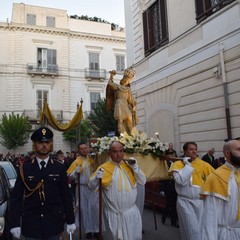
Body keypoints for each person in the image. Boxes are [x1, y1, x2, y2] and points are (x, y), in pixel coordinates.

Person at [10, 127, 76, 240]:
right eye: (40, 142)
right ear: (34, 144)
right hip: (31, 225)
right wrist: (15, 223)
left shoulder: (59, 168)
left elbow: (66, 196)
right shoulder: (25, 168)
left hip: (54, 224)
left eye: (47, 142)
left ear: (50, 144)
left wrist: (70, 220)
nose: (44, 145)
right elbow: (16, 198)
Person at [89, 141, 146, 240]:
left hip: (131, 213)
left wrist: (135, 167)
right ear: (109, 153)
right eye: (115, 152)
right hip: (114, 215)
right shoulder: (103, 169)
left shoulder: (129, 165)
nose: (118, 154)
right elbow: (91, 187)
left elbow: (142, 181)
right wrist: (96, 178)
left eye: (121, 151)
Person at [168, 141, 214, 240]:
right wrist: (187, 165)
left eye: (195, 149)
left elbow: (214, 180)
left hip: (201, 202)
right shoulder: (178, 164)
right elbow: (180, 180)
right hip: (185, 202)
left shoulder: (204, 164)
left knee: (201, 230)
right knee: (191, 230)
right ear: (185, 151)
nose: (194, 151)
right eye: (191, 149)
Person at [200, 138, 240, 240]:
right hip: (226, 234)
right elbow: (209, 220)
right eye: (239, 149)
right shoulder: (216, 178)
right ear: (227, 153)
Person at [67, 143, 99, 239]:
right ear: (78, 151)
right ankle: (88, 231)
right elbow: (69, 176)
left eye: (85, 148)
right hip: (82, 188)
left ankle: (97, 230)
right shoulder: (76, 162)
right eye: (82, 149)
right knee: (84, 209)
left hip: (93, 188)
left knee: (95, 209)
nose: (84, 150)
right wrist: (75, 173)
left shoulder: (92, 159)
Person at [106, 67, 138, 134]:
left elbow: (130, 100)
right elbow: (110, 84)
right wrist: (111, 76)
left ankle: (132, 135)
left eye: (129, 81)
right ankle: (122, 135)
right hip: (119, 103)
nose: (128, 82)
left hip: (125, 105)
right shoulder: (117, 86)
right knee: (120, 120)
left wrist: (133, 105)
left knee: (129, 118)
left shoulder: (127, 89)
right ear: (124, 80)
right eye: (128, 80)